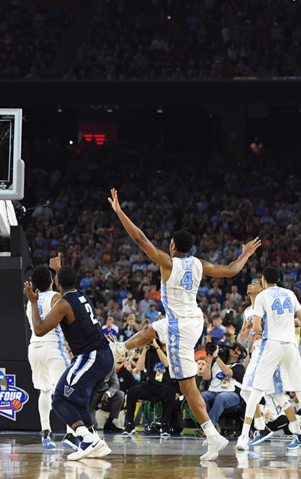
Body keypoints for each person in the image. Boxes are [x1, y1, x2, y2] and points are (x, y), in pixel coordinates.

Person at [108, 189, 260, 460]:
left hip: (181, 327)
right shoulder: (199, 264)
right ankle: (119, 348)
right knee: (153, 329)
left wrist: (120, 213)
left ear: (173, 246)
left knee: (187, 386)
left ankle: (213, 436)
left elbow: (140, 239)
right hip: (189, 320)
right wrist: (246, 254)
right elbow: (232, 270)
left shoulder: (168, 263)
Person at [24, 255, 113, 461]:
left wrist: (34, 302)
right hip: (102, 355)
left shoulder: (63, 303)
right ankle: (95, 442)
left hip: (90, 356)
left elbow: (38, 329)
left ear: (57, 282)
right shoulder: (80, 294)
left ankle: (85, 438)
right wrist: (58, 269)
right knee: (78, 401)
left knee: (59, 399)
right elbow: (65, 280)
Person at [239, 266, 301, 454]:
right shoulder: (290, 293)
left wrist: (258, 330)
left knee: (255, 390)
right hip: (290, 345)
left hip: (271, 345)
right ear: (279, 279)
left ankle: (245, 435)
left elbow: (257, 326)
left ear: (263, 281)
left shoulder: (262, 297)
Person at [237, 281, 301, 450]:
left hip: (268, 352)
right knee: (277, 395)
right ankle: (296, 432)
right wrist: (249, 329)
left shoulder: (267, 303)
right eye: (249, 283)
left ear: (262, 289)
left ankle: (256, 430)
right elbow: (242, 338)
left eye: (254, 283)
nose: (249, 285)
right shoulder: (247, 311)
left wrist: (261, 331)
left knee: (247, 391)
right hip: (258, 352)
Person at [24, 265, 74, 449]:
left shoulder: (31, 303)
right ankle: (71, 432)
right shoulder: (56, 297)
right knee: (67, 389)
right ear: (52, 281)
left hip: (34, 348)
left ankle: (46, 431)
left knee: (44, 391)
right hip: (53, 347)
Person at [122, 334, 176, 435]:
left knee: (171, 392)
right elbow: (139, 367)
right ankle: (130, 424)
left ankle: (165, 424)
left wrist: (156, 346)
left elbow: (166, 364)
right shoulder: (149, 352)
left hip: (162, 386)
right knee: (132, 391)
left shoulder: (169, 351)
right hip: (149, 385)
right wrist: (145, 349)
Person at [88, 366, 123, 432]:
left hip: (103, 390)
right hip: (90, 391)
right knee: (92, 425)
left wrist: (108, 393)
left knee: (120, 395)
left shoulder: (111, 366)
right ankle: (91, 429)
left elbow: (115, 384)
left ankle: (109, 422)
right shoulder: (91, 364)